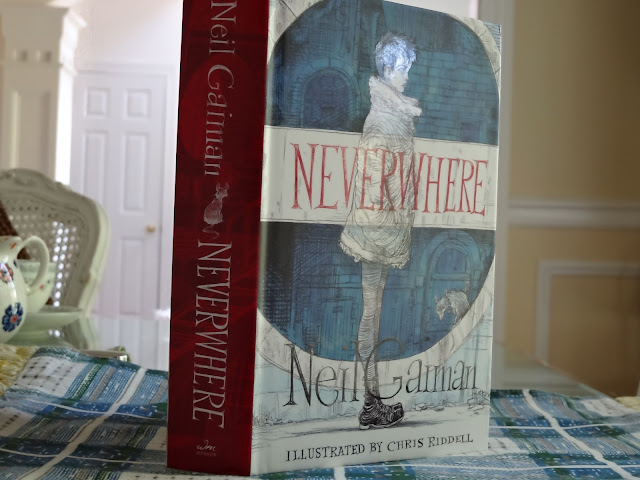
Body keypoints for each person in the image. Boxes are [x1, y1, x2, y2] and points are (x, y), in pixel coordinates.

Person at [340, 32, 422, 429]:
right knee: (371, 313)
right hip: (377, 235)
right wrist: (389, 233)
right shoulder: (383, 122)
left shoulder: (394, 115)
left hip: (383, 232)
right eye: (403, 69)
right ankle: (371, 404)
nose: (407, 77)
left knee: (372, 311)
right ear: (388, 69)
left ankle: (371, 402)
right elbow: (374, 191)